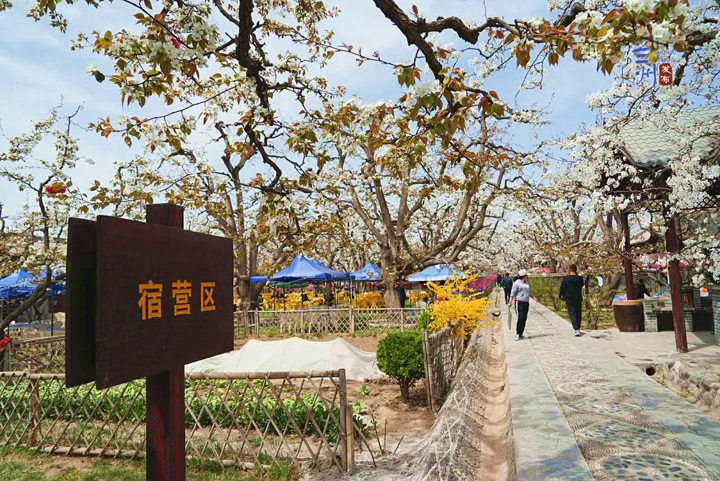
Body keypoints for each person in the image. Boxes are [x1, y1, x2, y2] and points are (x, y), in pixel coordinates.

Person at [559, 264, 584, 336]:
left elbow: (562, 288)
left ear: (569, 269)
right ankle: (578, 327)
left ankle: (576, 328)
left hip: (569, 298)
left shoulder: (566, 279)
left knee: (572, 313)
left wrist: (560, 295)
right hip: (578, 297)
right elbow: (582, 285)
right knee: (578, 313)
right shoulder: (579, 278)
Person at [509, 270, 532, 340]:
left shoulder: (526, 283)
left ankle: (521, 333)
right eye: (526, 276)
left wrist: (533, 297)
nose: (527, 277)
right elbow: (512, 293)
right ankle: (518, 333)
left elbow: (528, 292)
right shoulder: (517, 283)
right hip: (519, 302)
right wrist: (510, 302)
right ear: (523, 276)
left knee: (524, 318)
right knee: (520, 318)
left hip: (526, 302)